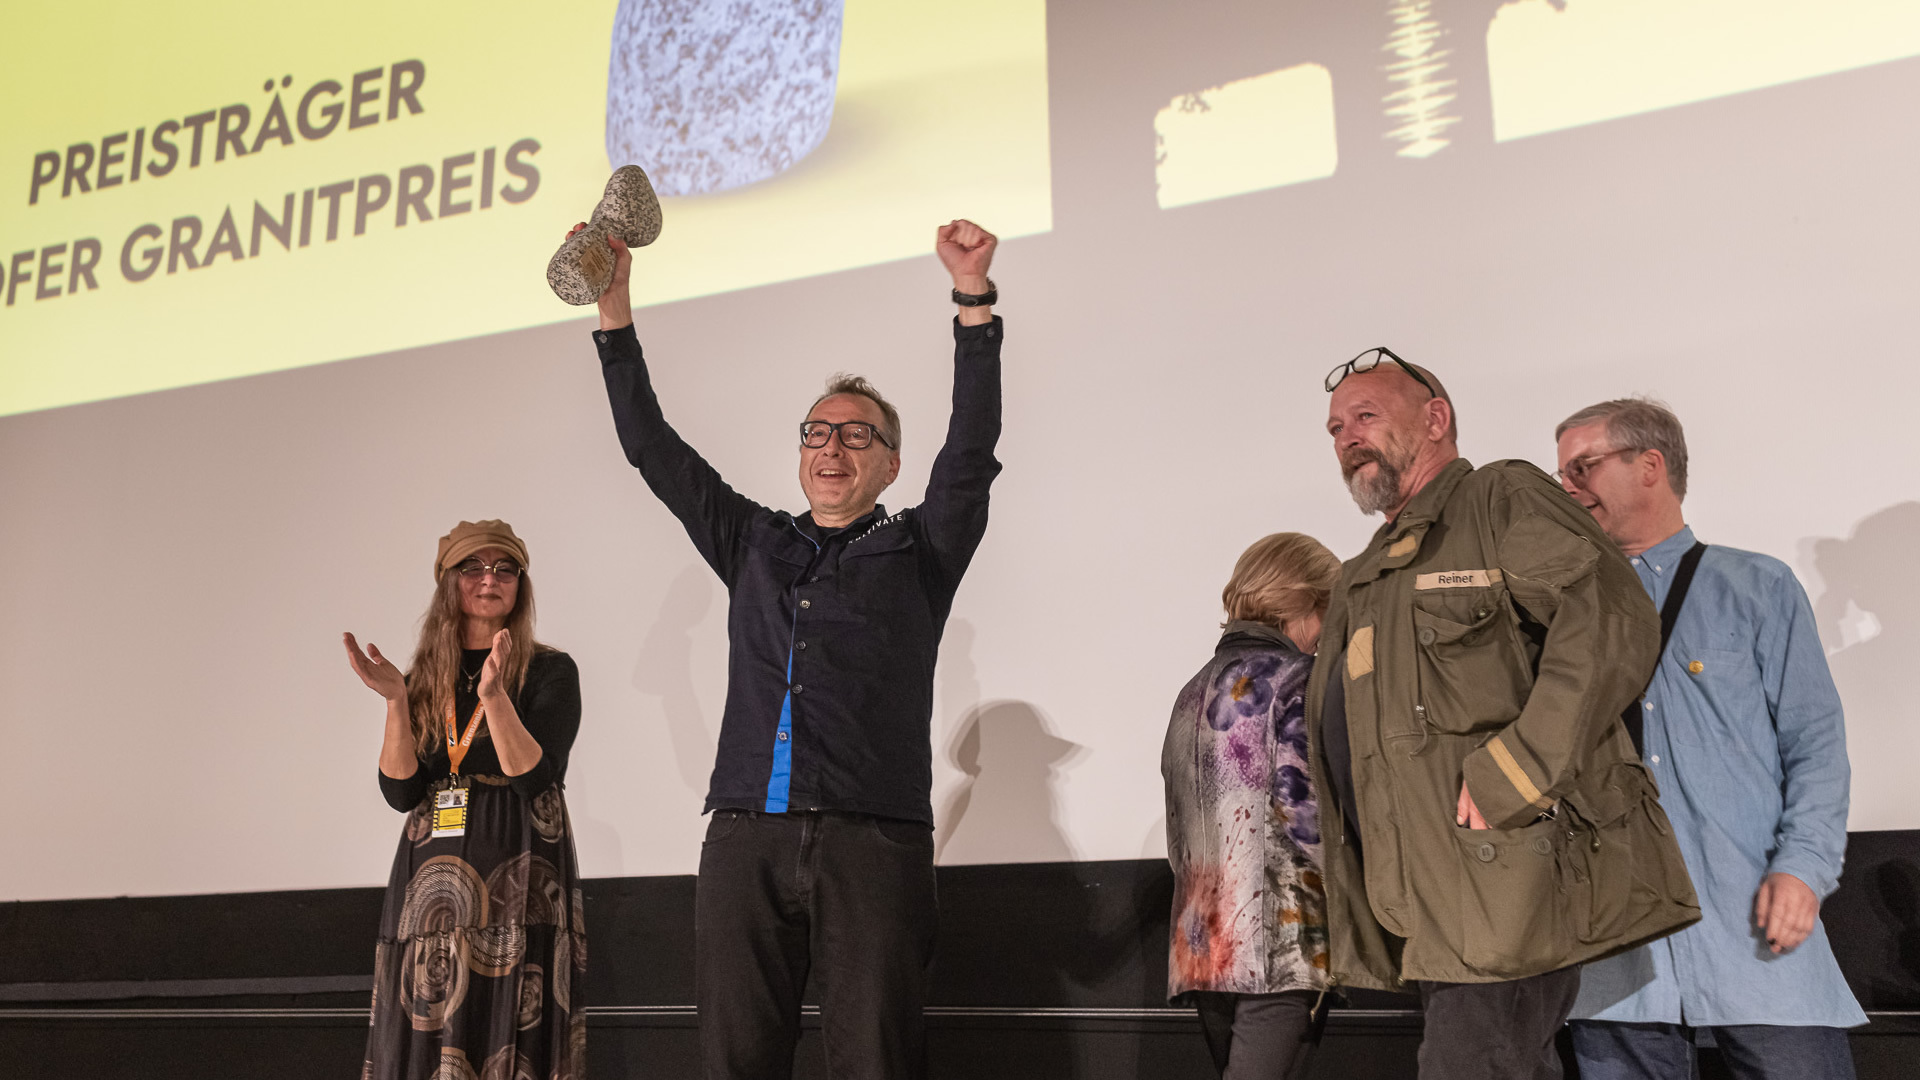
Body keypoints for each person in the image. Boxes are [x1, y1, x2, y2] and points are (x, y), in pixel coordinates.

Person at [577, 219, 1003, 1079]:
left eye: (855, 435)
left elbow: (971, 452)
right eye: (816, 432)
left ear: (889, 464)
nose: (832, 447)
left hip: (872, 841)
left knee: (874, 1061)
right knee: (737, 1060)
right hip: (745, 839)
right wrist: (615, 312)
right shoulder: (754, 542)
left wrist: (973, 303)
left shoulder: (919, 552)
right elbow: (651, 450)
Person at [1304, 348, 1700, 1080]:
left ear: (1435, 419)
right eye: (1334, 429)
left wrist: (1517, 770)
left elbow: (1607, 617)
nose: (1346, 437)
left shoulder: (1498, 500)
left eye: (1365, 416)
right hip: (1423, 899)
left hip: (1504, 882)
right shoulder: (1366, 573)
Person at [1553, 398, 1865, 1079]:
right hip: (1615, 954)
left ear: (1650, 466)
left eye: (1583, 467)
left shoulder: (1758, 586)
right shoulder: (1562, 610)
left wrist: (1803, 867)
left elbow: (1814, 744)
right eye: (1562, 474)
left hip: (1757, 931)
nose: (1568, 488)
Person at [344, 519, 586, 1080]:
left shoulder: (551, 670)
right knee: (430, 1018)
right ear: (448, 582)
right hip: (432, 878)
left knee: (512, 1018)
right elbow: (401, 790)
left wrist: (495, 696)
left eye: (505, 569)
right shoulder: (423, 677)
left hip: (519, 869)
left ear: (520, 586)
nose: (489, 579)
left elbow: (532, 777)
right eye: (473, 567)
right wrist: (397, 702)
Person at [1163, 532, 1342, 1080]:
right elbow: (1307, 819)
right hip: (1279, 949)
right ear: (1307, 603)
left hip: (1203, 950)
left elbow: (1178, 830)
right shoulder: (1298, 682)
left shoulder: (1192, 691)